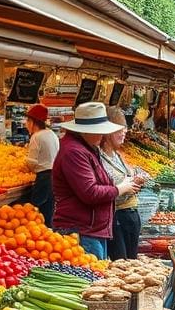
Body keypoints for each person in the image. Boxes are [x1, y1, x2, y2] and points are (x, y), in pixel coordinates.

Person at [52, 102, 138, 260]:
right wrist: (120, 188)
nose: (102, 136)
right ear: (84, 131)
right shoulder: (74, 152)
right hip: (83, 230)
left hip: (92, 230)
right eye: (99, 132)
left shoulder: (86, 148)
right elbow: (90, 192)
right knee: (92, 279)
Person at [100, 106, 145, 260]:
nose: (124, 131)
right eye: (119, 128)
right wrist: (128, 187)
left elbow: (126, 178)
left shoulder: (117, 155)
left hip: (130, 215)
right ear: (107, 133)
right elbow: (104, 192)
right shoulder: (99, 158)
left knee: (131, 260)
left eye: (124, 127)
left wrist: (135, 181)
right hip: (117, 218)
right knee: (122, 263)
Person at [24, 104, 60, 226]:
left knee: (36, 212)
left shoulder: (36, 137)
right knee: (48, 212)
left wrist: (26, 167)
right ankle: (48, 235)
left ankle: (40, 236)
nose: (26, 124)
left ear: (33, 122)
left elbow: (31, 162)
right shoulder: (51, 134)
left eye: (27, 120)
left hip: (44, 178)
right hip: (55, 176)